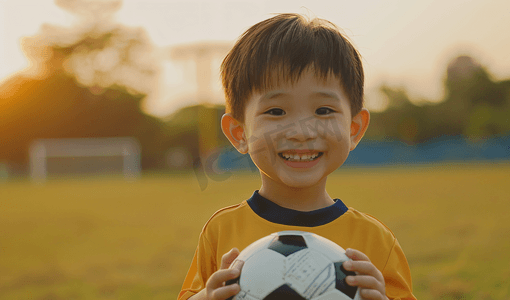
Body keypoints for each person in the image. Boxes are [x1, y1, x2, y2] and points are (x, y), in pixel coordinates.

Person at [178, 13, 416, 300]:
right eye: (276, 111)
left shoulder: (376, 241)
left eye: (324, 110)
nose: (301, 132)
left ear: (354, 129)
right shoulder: (221, 231)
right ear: (239, 133)